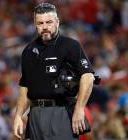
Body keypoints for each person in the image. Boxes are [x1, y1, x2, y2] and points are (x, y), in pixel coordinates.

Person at [13, 3, 95, 140]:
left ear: (57, 22)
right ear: (35, 24)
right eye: (40, 23)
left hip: (60, 112)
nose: (44, 27)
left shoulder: (70, 46)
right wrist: (18, 116)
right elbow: (24, 86)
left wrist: (79, 109)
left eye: (49, 22)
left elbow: (88, 76)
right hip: (35, 115)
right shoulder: (28, 51)